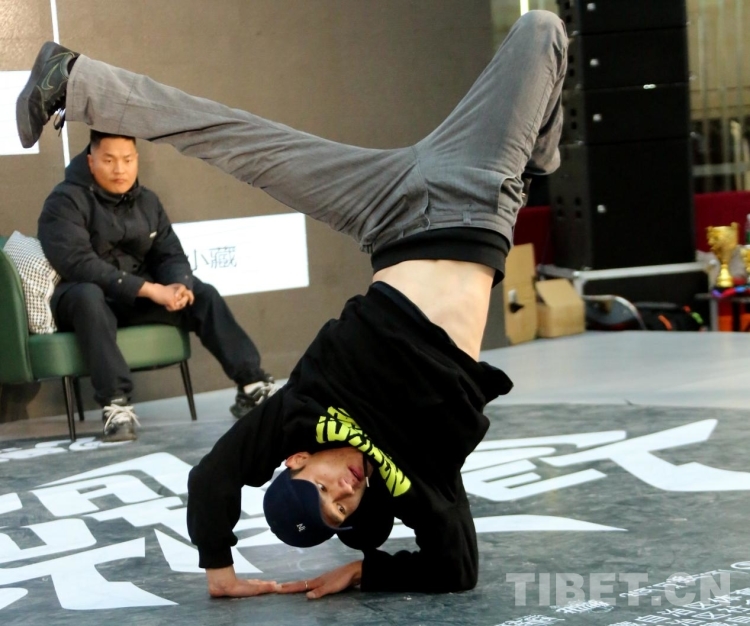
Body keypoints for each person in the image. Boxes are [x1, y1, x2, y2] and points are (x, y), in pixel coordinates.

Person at [17, 10, 567, 596]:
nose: (343, 490)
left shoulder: (298, 415)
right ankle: (533, 160)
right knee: (542, 29)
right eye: (341, 508)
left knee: (245, 143)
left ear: (297, 460)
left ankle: (70, 78)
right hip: (476, 196)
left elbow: (212, 478)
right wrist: (366, 570)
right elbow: (456, 570)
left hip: (386, 210)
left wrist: (220, 573)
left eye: (321, 490)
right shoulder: (419, 479)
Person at [36, 130, 277, 442]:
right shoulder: (64, 201)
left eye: (127, 160)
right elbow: (78, 263)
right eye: (109, 160)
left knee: (202, 294)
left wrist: (178, 285)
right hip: (84, 299)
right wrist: (150, 290)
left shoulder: (147, 200)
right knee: (88, 295)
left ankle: (252, 385)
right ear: (91, 161)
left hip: (134, 299)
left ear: (136, 160)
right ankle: (116, 406)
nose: (120, 169)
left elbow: (170, 253)